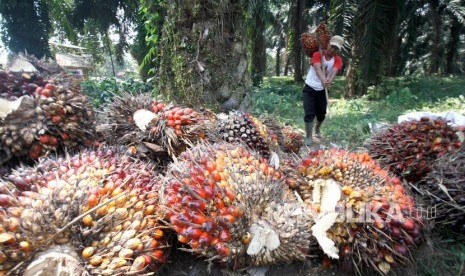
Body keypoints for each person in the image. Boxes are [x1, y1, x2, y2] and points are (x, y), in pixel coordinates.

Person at [302, 35, 344, 146]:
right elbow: (317, 68)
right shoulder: (317, 54)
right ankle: (308, 137)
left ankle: (317, 129)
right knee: (309, 112)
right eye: (331, 46)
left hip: (322, 90)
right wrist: (323, 79)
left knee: (321, 114)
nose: (332, 49)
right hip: (310, 88)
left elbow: (334, 72)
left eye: (336, 48)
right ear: (328, 44)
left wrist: (328, 81)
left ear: (338, 50)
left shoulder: (338, 60)